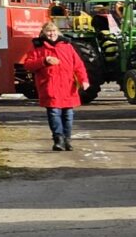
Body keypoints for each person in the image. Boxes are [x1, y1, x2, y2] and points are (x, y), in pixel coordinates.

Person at [23, 20, 90, 152]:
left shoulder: (67, 46)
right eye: (48, 31)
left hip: (68, 85)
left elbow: (78, 65)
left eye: (53, 31)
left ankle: (67, 139)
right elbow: (28, 65)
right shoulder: (38, 47)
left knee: (68, 114)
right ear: (43, 33)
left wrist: (84, 80)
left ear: (57, 32)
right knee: (54, 113)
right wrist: (44, 61)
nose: (51, 34)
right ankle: (58, 139)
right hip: (50, 85)